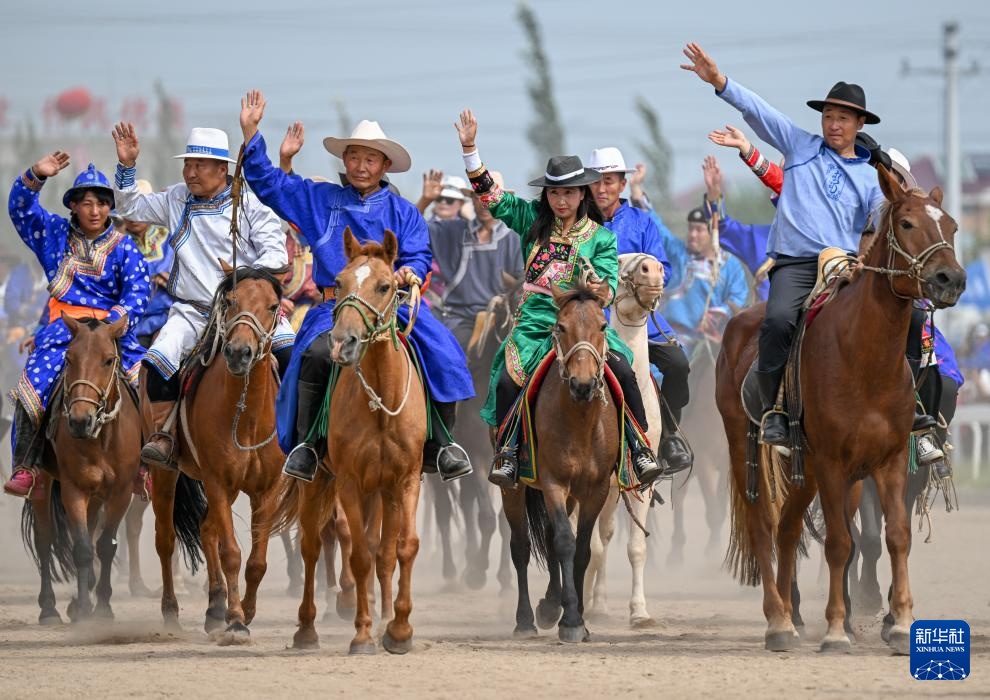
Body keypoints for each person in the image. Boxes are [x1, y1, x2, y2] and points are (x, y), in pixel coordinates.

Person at [237, 90, 475, 483]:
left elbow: (417, 253)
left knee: (443, 351)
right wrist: (251, 135)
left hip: (389, 307)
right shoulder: (320, 200)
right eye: (354, 157)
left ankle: (440, 444)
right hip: (335, 309)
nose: (361, 165)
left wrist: (409, 273)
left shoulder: (402, 212)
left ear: (385, 165)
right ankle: (308, 445)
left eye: (370, 158)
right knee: (313, 355)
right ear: (344, 161)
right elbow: (271, 184)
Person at [708, 127, 956, 466]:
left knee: (929, 346)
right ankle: (781, 411)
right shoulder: (829, 198)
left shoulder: (897, 215)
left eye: (885, 175)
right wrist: (749, 150)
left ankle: (920, 424)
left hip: (894, 300)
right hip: (834, 282)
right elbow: (784, 181)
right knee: (787, 325)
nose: (875, 179)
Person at [682, 41, 886, 446]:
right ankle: (774, 410)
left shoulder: (869, 176)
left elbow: (884, 212)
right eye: (828, 116)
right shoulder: (799, 144)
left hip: (844, 268)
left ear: (859, 124)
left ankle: (900, 408)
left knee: (896, 318)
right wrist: (719, 81)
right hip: (794, 265)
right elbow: (759, 111)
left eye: (843, 118)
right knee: (776, 321)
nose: (833, 125)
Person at [455, 109, 664, 488]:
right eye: (554, 192)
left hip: (583, 322)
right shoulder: (531, 219)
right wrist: (470, 150)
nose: (561, 200)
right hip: (535, 319)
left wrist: (602, 290)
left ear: (582, 193)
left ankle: (639, 447)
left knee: (623, 372)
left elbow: (609, 285)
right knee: (506, 380)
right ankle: (507, 453)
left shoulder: (602, 237)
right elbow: (492, 196)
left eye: (568, 192)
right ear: (546, 194)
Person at [112, 123, 295, 469]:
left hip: (248, 311)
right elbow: (130, 209)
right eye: (188, 165)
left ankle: (300, 438)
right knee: (158, 359)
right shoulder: (176, 198)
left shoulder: (251, 202)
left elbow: (277, 255)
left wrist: (241, 278)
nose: (190, 173)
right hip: (193, 312)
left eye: (199, 165)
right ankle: (164, 436)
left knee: (292, 354)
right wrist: (127, 166)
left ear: (222, 169)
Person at [4, 156, 149, 497]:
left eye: (101, 203)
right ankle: (27, 466)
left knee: (146, 381)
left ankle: (145, 466)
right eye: (87, 203)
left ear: (111, 208)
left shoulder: (125, 247)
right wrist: (37, 174)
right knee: (32, 385)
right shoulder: (53, 234)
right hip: (64, 332)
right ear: (73, 206)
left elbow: (138, 291)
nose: (95, 210)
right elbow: (20, 210)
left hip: (111, 334)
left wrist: (112, 324)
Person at [586, 146, 691, 474]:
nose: (602, 189)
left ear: (621, 183)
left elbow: (666, 270)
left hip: (640, 318)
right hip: (595, 318)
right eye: (595, 183)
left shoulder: (642, 222)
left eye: (609, 181)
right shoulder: (578, 226)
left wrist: (647, 286)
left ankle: (670, 436)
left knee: (678, 364)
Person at [424, 171, 523, 350]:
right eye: (479, 197)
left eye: (490, 197)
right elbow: (411, 229)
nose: (484, 203)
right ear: (472, 199)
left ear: (502, 199)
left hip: (502, 319)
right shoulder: (454, 231)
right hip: (459, 318)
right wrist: (426, 200)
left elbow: (522, 285)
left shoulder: (514, 237)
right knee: (445, 356)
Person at [120, 179, 174, 346]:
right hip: (131, 322)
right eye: (129, 209)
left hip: (170, 317)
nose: (134, 215)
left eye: (140, 208)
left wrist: (173, 281)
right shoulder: (117, 243)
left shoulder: (172, 237)